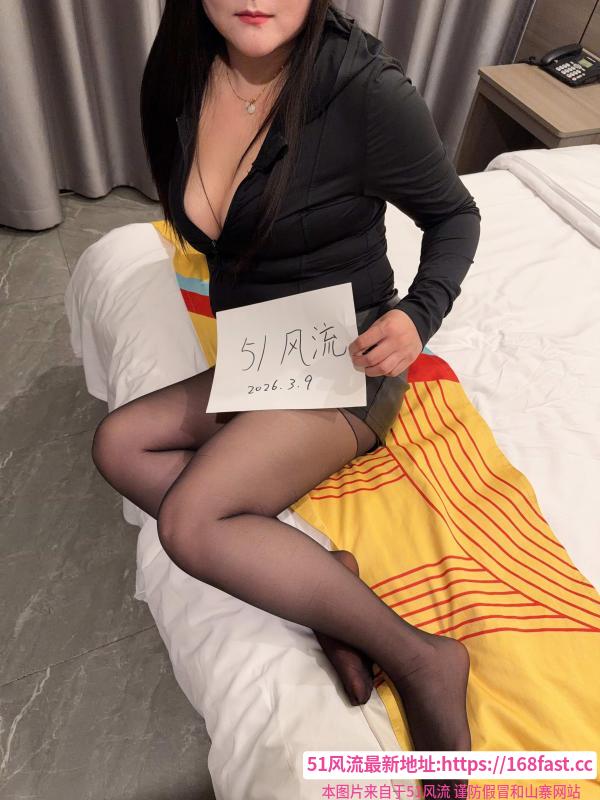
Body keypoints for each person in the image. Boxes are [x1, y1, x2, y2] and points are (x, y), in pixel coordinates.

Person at [92, 0, 481, 782]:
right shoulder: (181, 71)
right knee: (119, 443)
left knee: (192, 522)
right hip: (262, 352)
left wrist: (417, 316)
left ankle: (423, 657)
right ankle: (326, 588)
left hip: (346, 358)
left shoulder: (363, 89)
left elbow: (455, 216)